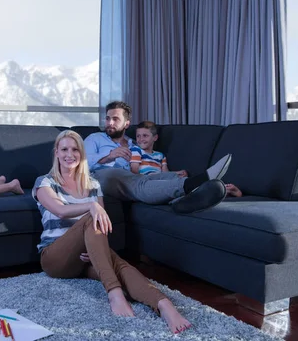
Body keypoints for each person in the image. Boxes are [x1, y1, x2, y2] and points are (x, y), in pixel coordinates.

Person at [33, 130, 192, 334]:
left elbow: (101, 224)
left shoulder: (93, 184)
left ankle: (163, 304)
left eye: (75, 150)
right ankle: (114, 293)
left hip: (84, 258)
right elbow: (61, 211)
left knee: (119, 266)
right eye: (64, 149)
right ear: (56, 152)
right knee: (93, 215)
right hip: (56, 258)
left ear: (81, 154)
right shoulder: (45, 182)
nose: (69, 154)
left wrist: (92, 249)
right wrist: (91, 206)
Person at [84, 101, 231, 214]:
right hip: (101, 177)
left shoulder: (134, 143)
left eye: (115, 119)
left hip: (132, 178)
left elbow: (146, 168)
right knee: (133, 181)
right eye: (108, 118)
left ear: (127, 123)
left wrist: (173, 174)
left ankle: (194, 195)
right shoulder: (95, 138)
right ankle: (194, 184)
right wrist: (109, 156)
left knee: (156, 178)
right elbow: (83, 162)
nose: (109, 123)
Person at [131, 120, 243, 197]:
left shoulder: (160, 155)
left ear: (155, 137)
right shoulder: (137, 151)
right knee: (176, 186)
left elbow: (165, 173)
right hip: (147, 181)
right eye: (138, 136)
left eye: (145, 135)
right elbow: (134, 171)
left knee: (178, 178)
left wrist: (177, 173)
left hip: (161, 178)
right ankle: (215, 187)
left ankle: (223, 189)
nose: (140, 139)